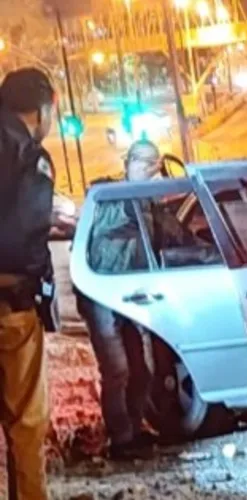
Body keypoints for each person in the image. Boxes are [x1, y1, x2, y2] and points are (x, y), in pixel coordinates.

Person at [74, 140, 174, 461]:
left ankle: (134, 429)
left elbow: (167, 237)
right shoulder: (109, 196)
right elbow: (110, 226)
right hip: (100, 290)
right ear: (128, 162)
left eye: (152, 164)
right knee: (116, 369)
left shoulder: (149, 203)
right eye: (142, 163)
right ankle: (120, 438)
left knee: (141, 370)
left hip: (129, 294)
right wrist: (143, 199)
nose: (147, 169)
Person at [0, 67, 62, 500]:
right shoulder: (29, 157)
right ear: (41, 110)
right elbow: (22, 240)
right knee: (26, 420)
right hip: (10, 308)